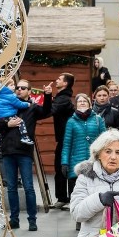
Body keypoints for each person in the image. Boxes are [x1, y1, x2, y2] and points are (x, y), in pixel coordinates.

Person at [0, 79, 53, 231]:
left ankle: (32, 220)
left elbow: (46, 111)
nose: (19, 89)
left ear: (29, 91)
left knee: (28, 187)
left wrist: (48, 96)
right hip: (8, 151)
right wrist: (7, 124)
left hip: (24, 152)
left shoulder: (31, 108)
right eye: (17, 87)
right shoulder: (7, 102)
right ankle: (14, 220)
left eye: (23, 88)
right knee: (11, 188)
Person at [61, 94, 106, 212]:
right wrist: (64, 162)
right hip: (76, 162)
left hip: (94, 162)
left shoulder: (98, 120)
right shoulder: (71, 122)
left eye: (84, 101)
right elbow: (67, 144)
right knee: (78, 194)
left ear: (89, 104)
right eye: (79, 101)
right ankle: (79, 220)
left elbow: (105, 141)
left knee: (93, 193)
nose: (82, 103)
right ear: (76, 105)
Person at [50, 72, 76, 209]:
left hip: (67, 140)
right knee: (60, 168)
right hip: (63, 139)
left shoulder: (63, 98)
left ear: (65, 83)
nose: (56, 80)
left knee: (64, 168)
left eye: (59, 79)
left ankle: (67, 198)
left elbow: (51, 110)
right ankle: (62, 197)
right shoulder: (61, 97)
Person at [0, 79, 35, 150]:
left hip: (0, 116)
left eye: (23, 88)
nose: (15, 87)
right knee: (21, 122)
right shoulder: (11, 96)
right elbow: (19, 104)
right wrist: (28, 104)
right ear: (5, 87)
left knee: (1, 133)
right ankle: (25, 137)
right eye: (12, 85)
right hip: (9, 115)